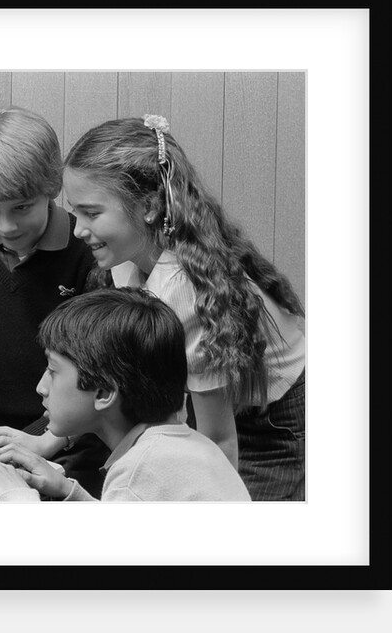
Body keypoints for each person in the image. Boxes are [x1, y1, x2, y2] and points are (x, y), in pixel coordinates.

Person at [54, 115, 305, 501]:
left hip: (273, 423)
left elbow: (217, 448)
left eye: (92, 213)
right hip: (220, 412)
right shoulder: (125, 260)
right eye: (75, 213)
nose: (78, 230)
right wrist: (47, 443)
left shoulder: (184, 291)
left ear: (150, 207)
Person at [0, 105, 108, 495]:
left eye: (22, 208)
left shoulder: (88, 252)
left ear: (51, 189)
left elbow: (99, 373)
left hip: (77, 443)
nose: (6, 226)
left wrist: (40, 442)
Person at [0, 288, 251, 501]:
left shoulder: (139, 471)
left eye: (52, 371)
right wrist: (68, 491)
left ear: (103, 393)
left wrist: (18, 498)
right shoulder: (188, 448)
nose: (41, 387)